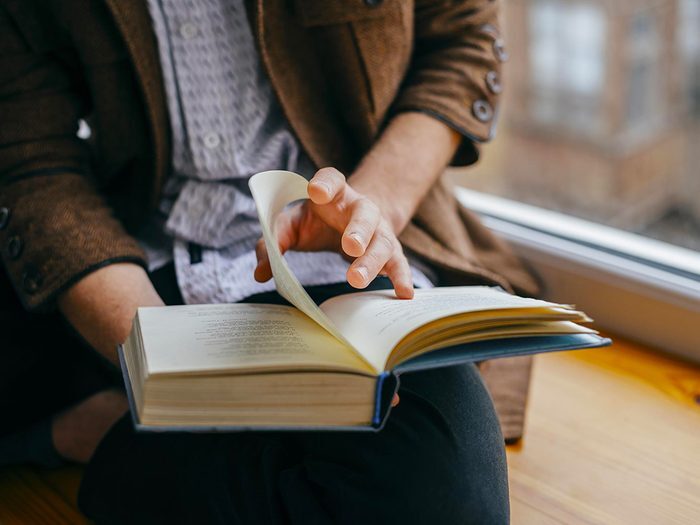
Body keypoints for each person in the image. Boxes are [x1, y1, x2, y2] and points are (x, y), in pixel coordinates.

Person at [0, 0, 539, 523]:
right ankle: (143, 425)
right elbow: (34, 161)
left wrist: (369, 211)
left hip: (340, 254)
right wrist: (160, 359)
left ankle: (113, 433)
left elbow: (462, 40)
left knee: (445, 495)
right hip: (130, 261)